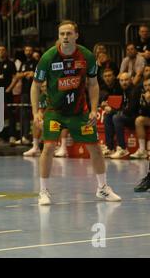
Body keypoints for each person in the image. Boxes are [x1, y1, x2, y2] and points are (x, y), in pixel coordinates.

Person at [31, 20, 121, 205]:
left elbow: (94, 84)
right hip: (54, 111)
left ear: (76, 36)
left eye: (68, 34)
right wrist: (35, 112)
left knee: (95, 148)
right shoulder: (48, 57)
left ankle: (102, 188)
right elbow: (35, 85)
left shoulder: (86, 56)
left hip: (79, 112)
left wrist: (94, 109)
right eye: (62, 34)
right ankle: (43, 191)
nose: (65, 37)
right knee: (48, 148)